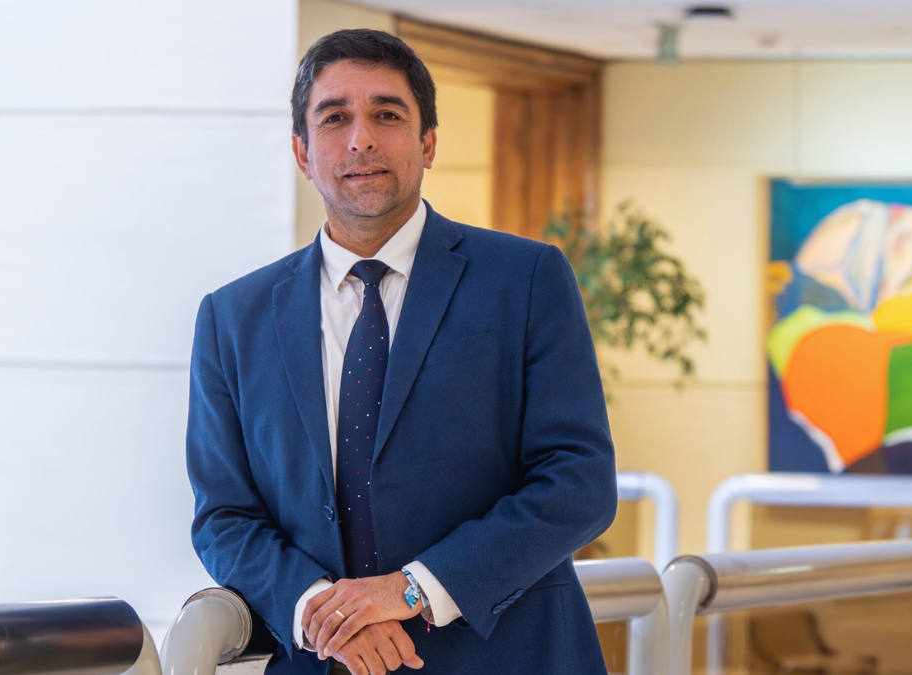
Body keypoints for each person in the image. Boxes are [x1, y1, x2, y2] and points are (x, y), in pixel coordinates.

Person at [187, 28, 616, 675]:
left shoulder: (525, 279)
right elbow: (224, 515)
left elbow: (578, 482)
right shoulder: (232, 317)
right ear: (302, 152)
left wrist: (411, 588)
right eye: (335, 118)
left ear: (428, 142)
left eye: (387, 115)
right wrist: (321, 610)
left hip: (509, 656)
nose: (360, 139)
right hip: (326, 662)